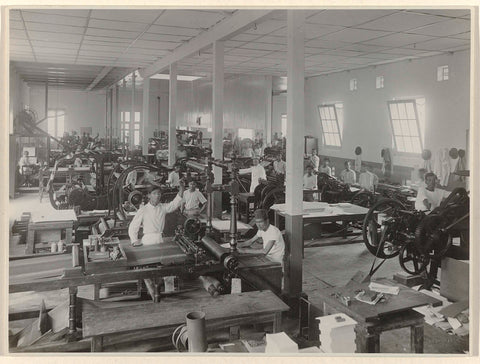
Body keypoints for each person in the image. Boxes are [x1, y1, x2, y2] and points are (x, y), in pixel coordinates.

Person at [128, 181, 185, 246]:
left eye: (159, 193)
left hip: (159, 239)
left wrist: (182, 188)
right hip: (148, 240)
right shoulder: (143, 210)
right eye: (154, 193)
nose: (157, 196)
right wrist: (134, 240)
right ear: (149, 195)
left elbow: (175, 203)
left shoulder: (163, 207)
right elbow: (133, 226)